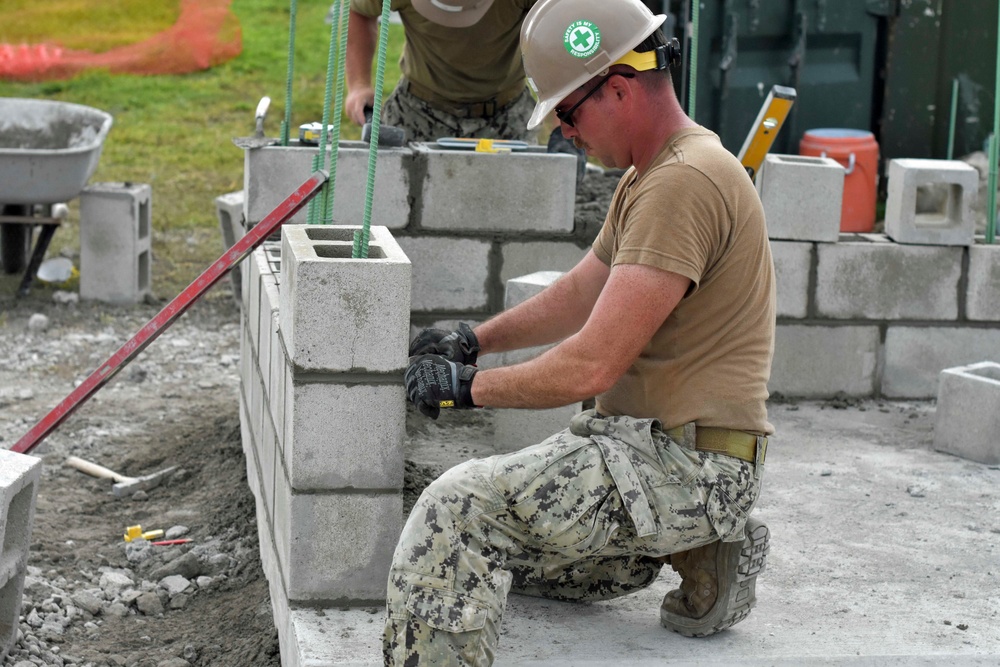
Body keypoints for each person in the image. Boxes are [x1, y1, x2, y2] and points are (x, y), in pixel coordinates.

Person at [392, 0, 776, 663]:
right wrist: (473, 339)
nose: (565, 132)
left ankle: (696, 523)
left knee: (455, 514)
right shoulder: (654, 174)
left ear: (620, 88)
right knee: (522, 560)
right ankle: (700, 544)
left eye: (567, 113)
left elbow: (589, 367)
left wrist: (466, 388)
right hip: (653, 452)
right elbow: (581, 291)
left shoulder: (682, 183)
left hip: (682, 464)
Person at [344, 0, 539, 142]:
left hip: (508, 113)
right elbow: (360, 11)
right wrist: (359, 85)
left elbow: (561, 35)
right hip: (416, 111)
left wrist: (561, 122)